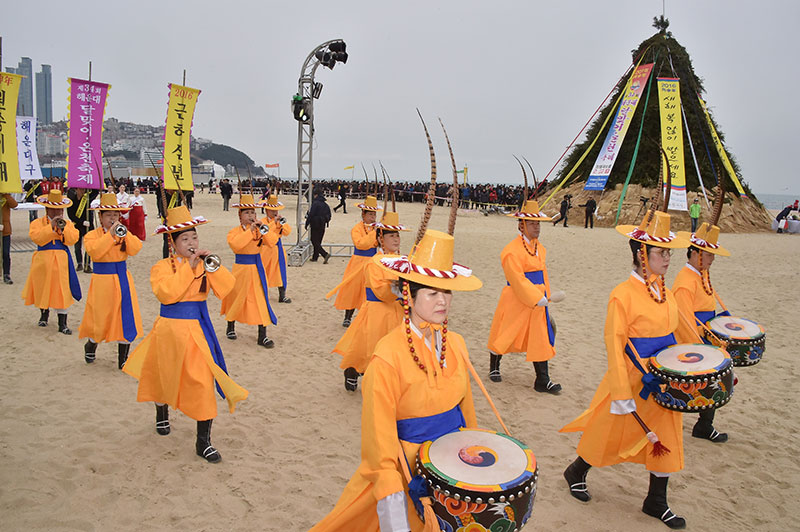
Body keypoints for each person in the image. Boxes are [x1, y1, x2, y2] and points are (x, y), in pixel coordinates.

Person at [309, 229, 482, 532]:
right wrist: (393, 492)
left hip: (450, 468)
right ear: (409, 295)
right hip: (407, 467)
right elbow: (379, 435)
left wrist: (471, 459)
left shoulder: (456, 343)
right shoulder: (387, 355)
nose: (443, 301)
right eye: (432, 293)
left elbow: (466, 410)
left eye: (447, 292)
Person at [560, 209, 691, 530]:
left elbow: (685, 330)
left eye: (668, 252)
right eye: (661, 253)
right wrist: (620, 391)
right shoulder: (622, 294)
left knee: (667, 436)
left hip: (665, 380)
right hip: (632, 378)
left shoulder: (667, 292)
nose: (667, 258)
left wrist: (711, 359)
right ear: (641, 255)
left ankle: (656, 501)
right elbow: (613, 343)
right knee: (609, 431)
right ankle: (576, 470)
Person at [123, 205, 247, 463]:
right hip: (168, 330)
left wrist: (212, 264)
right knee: (162, 376)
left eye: (194, 238)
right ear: (173, 243)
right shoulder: (161, 267)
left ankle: (203, 442)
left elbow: (227, 289)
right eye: (185, 239)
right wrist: (188, 268)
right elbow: (167, 294)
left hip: (196, 330)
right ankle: (161, 414)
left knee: (202, 381)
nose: (191, 243)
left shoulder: (204, 264)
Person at [488, 199, 561, 393]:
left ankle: (542, 380)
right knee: (506, 333)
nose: (537, 227)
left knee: (540, 335)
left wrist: (547, 296)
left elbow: (543, 274)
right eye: (532, 223)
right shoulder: (511, 251)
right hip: (517, 297)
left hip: (539, 298)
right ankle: (494, 366)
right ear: (521, 225)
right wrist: (535, 297)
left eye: (538, 223)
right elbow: (517, 279)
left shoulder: (540, 248)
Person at [332, 209, 408, 391]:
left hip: (397, 312)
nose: (396, 239)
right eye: (391, 236)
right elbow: (382, 291)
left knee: (394, 348)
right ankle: (352, 371)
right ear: (381, 239)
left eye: (397, 236)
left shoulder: (403, 260)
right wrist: (399, 284)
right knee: (369, 347)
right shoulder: (375, 262)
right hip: (377, 311)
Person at [672, 222, 732, 443]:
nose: (712, 259)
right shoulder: (685, 282)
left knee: (715, 381)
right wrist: (701, 349)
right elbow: (685, 321)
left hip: (708, 336)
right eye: (708, 254)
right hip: (694, 341)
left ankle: (704, 425)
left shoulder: (702, 275)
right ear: (696, 254)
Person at [79, 193, 144, 369]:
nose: (113, 218)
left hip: (122, 278)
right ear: (100, 217)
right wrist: (110, 235)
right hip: (102, 280)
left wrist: (125, 235)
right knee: (100, 317)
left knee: (125, 317)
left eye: (116, 215)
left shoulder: (123, 232)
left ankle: (123, 358)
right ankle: (91, 343)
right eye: (108, 215)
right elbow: (95, 251)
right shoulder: (92, 235)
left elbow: (136, 248)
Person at [220, 194, 278, 348]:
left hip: (257, 270)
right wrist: (249, 231)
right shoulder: (234, 232)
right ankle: (230, 326)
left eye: (252, 213)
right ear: (240, 216)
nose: (250, 216)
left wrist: (263, 230)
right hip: (240, 269)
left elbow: (272, 242)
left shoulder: (259, 230)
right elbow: (236, 246)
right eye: (247, 213)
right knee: (236, 298)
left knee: (260, 300)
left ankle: (262, 336)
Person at [21, 190, 82, 334]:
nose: (57, 212)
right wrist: (51, 227)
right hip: (43, 260)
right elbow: (37, 238)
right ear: (47, 209)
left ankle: (63, 323)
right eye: (54, 209)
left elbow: (73, 239)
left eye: (60, 209)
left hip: (61, 260)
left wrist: (62, 229)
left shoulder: (68, 223)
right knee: (43, 288)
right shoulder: (37, 223)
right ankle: (44, 315)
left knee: (62, 290)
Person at [331, 196, 381, 327]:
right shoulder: (357, 228)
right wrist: (374, 234)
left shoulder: (376, 229)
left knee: (369, 289)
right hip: (357, 262)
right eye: (370, 214)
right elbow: (361, 244)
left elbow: (378, 244)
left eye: (374, 214)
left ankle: (367, 317)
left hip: (372, 262)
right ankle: (347, 316)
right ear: (363, 214)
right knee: (352, 289)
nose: (373, 217)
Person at [259, 194, 292, 303]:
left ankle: (282, 295)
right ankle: (262, 295)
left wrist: (282, 223)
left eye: (276, 210)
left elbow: (288, 232)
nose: (275, 212)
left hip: (278, 249)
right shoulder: (262, 221)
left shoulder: (279, 220)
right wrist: (274, 223)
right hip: (265, 249)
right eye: (273, 210)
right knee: (263, 272)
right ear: (267, 210)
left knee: (280, 272)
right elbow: (266, 231)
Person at [66, 187, 98, 273]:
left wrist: (90, 185)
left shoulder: (87, 198)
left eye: (84, 189)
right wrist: (81, 222)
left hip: (88, 226)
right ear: (76, 190)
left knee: (88, 246)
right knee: (77, 246)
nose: (82, 191)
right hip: (77, 226)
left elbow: (96, 191)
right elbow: (71, 215)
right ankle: (79, 263)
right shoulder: (72, 200)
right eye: (80, 189)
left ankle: (87, 265)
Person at [306, 191, 331, 263]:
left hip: (315, 224)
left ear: (316, 195)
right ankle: (315, 257)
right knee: (318, 241)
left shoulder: (315, 203)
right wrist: (325, 220)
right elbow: (329, 215)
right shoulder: (326, 205)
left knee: (314, 240)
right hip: (322, 224)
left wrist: (307, 223)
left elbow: (311, 214)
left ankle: (325, 254)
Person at [2, 193, 18, 284]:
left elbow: (14, 205)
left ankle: (6, 274)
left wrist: (6, 196)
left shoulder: (6, 196)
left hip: (5, 229)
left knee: (5, 253)